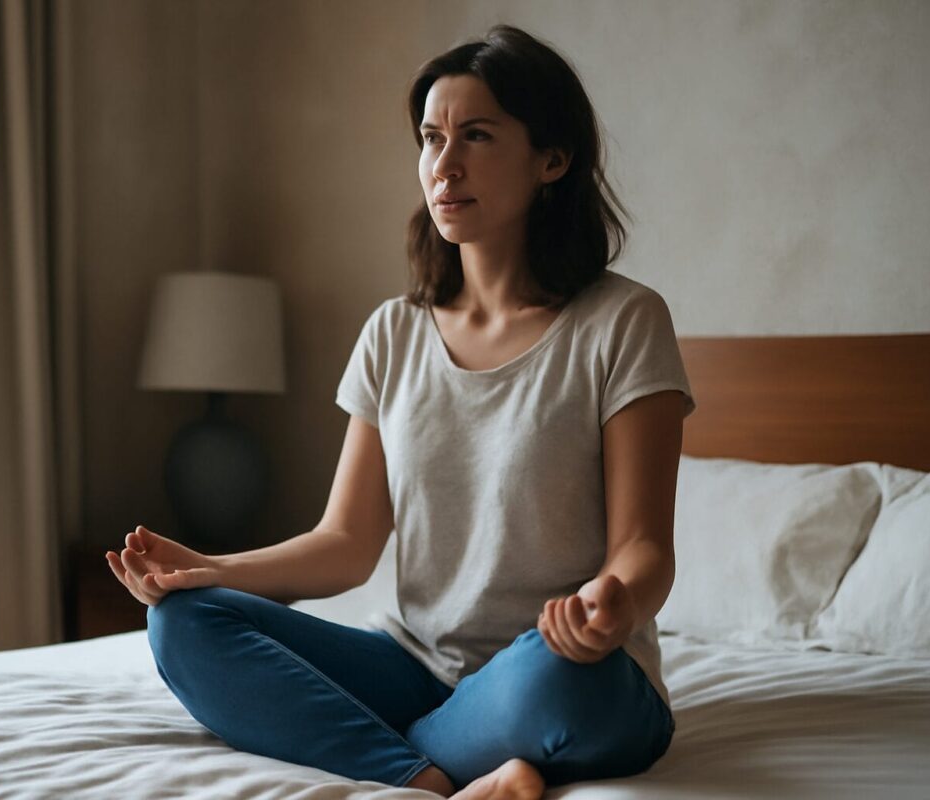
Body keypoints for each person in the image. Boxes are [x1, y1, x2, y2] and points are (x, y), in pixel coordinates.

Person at [105, 23, 695, 800]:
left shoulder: (623, 322)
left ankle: (421, 757)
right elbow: (347, 544)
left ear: (552, 159)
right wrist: (208, 572)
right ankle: (429, 777)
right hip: (419, 670)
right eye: (430, 138)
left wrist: (611, 604)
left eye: (476, 136)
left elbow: (645, 549)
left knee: (559, 682)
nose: (443, 166)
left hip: (562, 666)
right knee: (184, 624)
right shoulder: (393, 331)